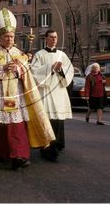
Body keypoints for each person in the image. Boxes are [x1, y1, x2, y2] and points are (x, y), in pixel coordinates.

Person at [0, 8, 55, 170]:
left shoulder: (20, 54)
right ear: (0, 37)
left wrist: (19, 69)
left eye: (11, 36)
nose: (9, 39)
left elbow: (27, 74)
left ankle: (19, 155)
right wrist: (1, 70)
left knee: (16, 125)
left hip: (16, 94)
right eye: (6, 36)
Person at [30, 29, 74, 161]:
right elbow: (34, 71)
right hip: (46, 91)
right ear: (46, 38)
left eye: (55, 37)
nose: (54, 39)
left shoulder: (62, 54)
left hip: (59, 90)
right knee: (47, 119)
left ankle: (59, 143)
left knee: (59, 118)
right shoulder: (39, 54)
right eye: (51, 37)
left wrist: (60, 70)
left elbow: (69, 70)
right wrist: (50, 68)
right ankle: (47, 146)